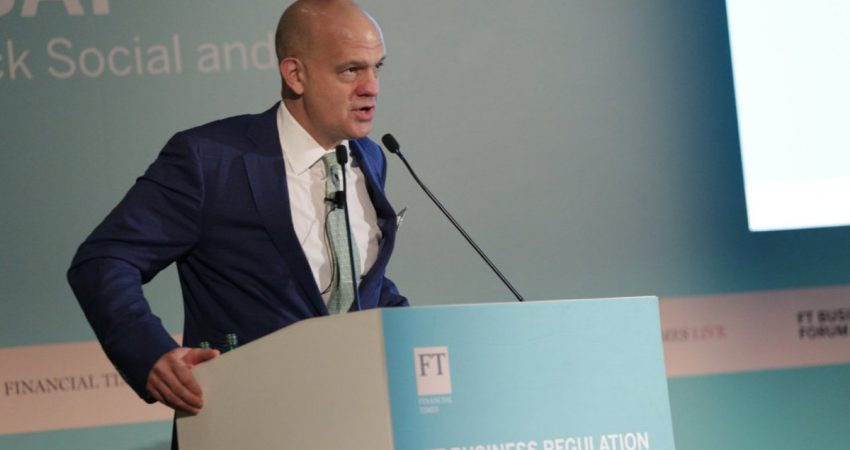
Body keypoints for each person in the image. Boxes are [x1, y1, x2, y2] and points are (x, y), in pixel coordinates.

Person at [67, 0, 407, 425]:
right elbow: (103, 260)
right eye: (350, 70)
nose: (371, 87)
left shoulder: (369, 158)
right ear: (295, 74)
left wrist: (423, 335)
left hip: (354, 420)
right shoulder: (210, 160)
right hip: (244, 422)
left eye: (377, 67)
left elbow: (356, 286)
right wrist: (150, 354)